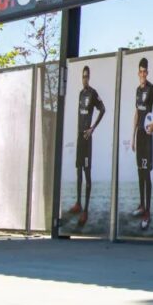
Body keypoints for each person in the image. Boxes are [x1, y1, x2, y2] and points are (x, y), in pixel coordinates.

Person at [66, 65, 105, 227]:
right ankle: (78, 203)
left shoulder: (93, 93)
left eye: (87, 76)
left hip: (87, 138)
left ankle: (86, 210)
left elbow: (102, 109)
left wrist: (92, 128)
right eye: (83, 76)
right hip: (79, 138)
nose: (85, 79)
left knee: (87, 173)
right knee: (78, 171)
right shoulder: (80, 94)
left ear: (90, 77)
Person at [132, 57, 153, 231]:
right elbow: (137, 113)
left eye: (145, 71)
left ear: (147, 73)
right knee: (139, 172)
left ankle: (148, 212)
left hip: (147, 136)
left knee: (146, 174)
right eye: (140, 72)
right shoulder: (137, 90)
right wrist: (133, 135)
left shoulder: (151, 89)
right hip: (139, 137)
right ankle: (142, 205)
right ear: (138, 73)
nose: (143, 74)